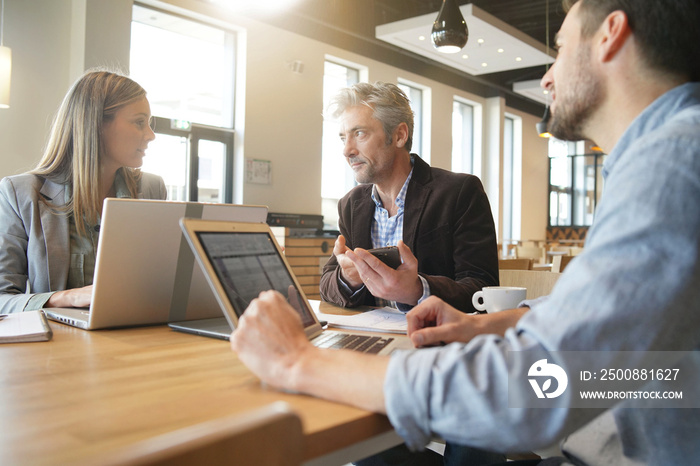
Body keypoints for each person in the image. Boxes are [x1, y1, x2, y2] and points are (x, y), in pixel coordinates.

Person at [231, 0, 700, 464]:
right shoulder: (671, 154)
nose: (547, 77)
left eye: (558, 48)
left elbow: (536, 386)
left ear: (610, 34)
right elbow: (627, 355)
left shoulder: (673, 163)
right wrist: (484, 324)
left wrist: (299, 361)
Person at [319, 81, 499, 315]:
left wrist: (417, 290)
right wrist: (348, 277)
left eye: (359, 133)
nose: (347, 150)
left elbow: (482, 287)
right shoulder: (350, 205)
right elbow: (327, 285)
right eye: (344, 138)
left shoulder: (460, 192)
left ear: (400, 135)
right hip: (370, 338)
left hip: (438, 342)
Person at [0, 70, 166, 314]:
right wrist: (68, 297)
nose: (151, 135)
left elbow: (162, 281)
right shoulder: (20, 193)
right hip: (57, 347)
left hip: (135, 338)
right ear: (96, 124)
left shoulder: (152, 189)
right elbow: (2, 298)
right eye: (139, 122)